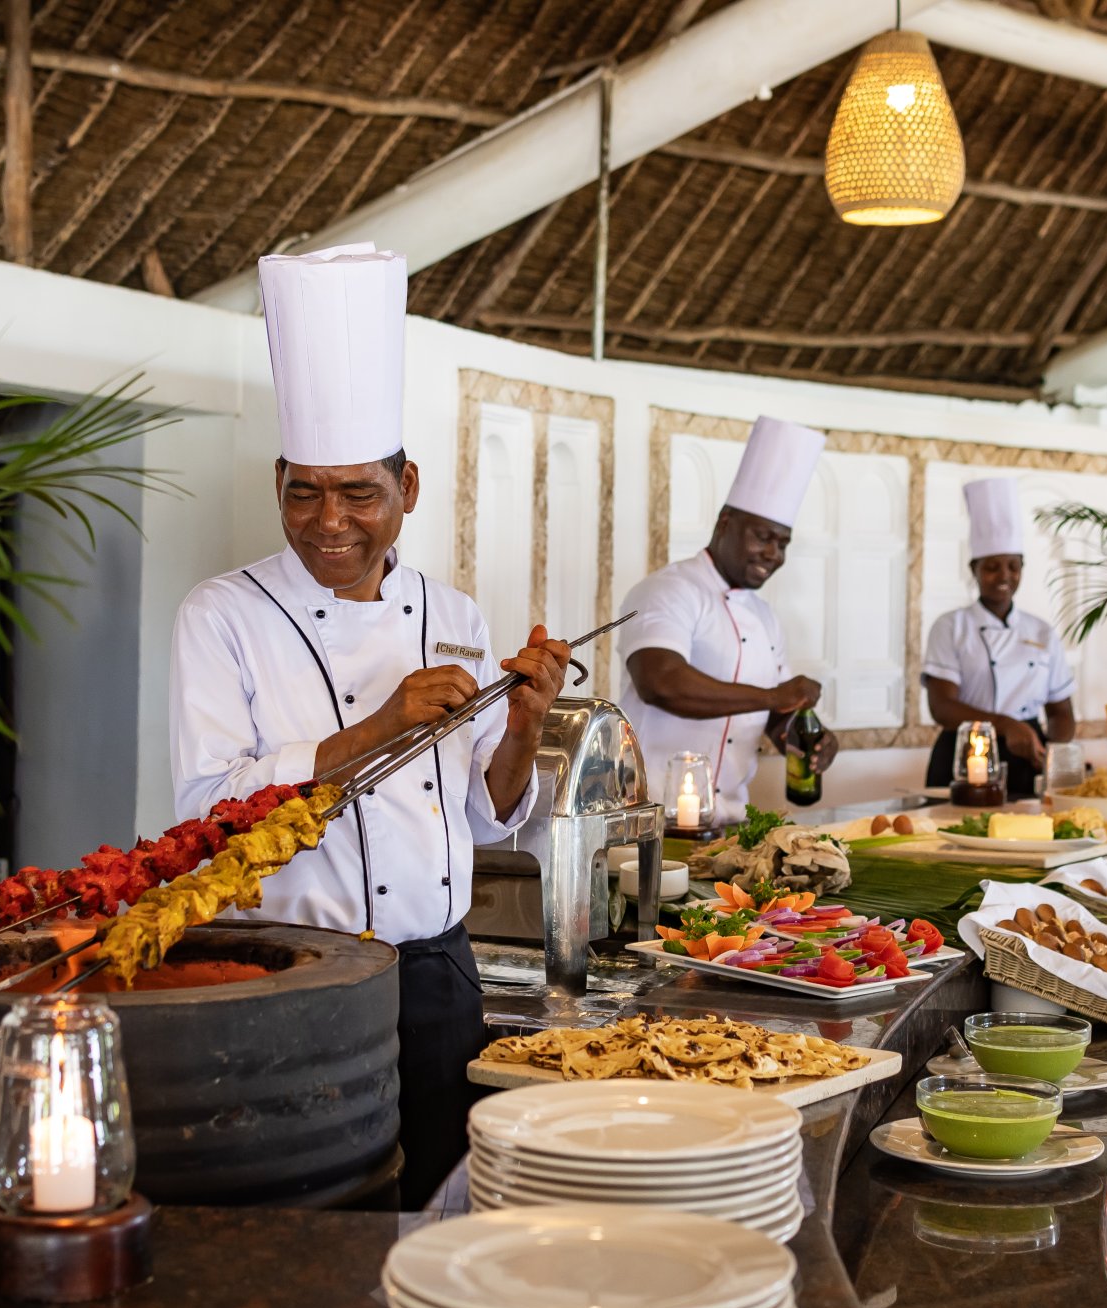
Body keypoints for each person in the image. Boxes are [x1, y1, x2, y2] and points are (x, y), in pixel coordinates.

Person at [167, 243, 570, 1206]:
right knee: (306, 1213)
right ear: (278, 481)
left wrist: (523, 726)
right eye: (304, 490)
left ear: (408, 489)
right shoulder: (220, 614)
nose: (329, 521)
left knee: (436, 1205)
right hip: (286, 972)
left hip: (437, 975)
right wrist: (381, 724)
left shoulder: (455, 614)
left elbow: (486, 812)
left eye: (359, 493)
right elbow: (207, 808)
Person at [616, 416, 837, 822]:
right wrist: (772, 697)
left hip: (731, 819)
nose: (773, 554)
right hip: (649, 820)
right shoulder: (668, 589)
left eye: (782, 543)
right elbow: (661, 683)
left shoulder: (765, 618)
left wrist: (806, 735)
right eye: (763, 537)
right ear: (725, 523)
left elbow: (779, 713)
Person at [921, 477, 1077, 797]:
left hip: (1027, 753)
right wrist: (1004, 725)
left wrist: (1052, 753)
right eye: (992, 566)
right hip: (964, 750)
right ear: (974, 569)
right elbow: (942, 707)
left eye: (1013, 566)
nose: (1004, 575)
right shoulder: (951, 626)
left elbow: (1062, 713)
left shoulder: (1042, 632)